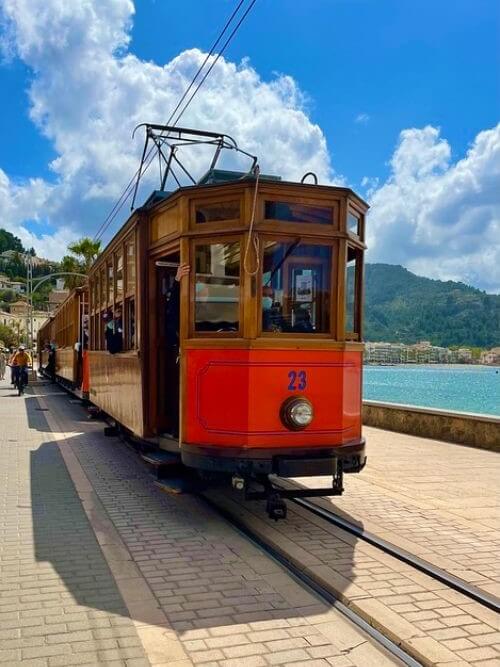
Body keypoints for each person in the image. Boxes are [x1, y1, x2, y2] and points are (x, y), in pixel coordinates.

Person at [165, 263, 190, 437]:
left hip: (178, 349)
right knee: (177, 391)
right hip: (177, 350)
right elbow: (173, 310)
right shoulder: (178, 313)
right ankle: (176, 428)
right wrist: (177, 281)